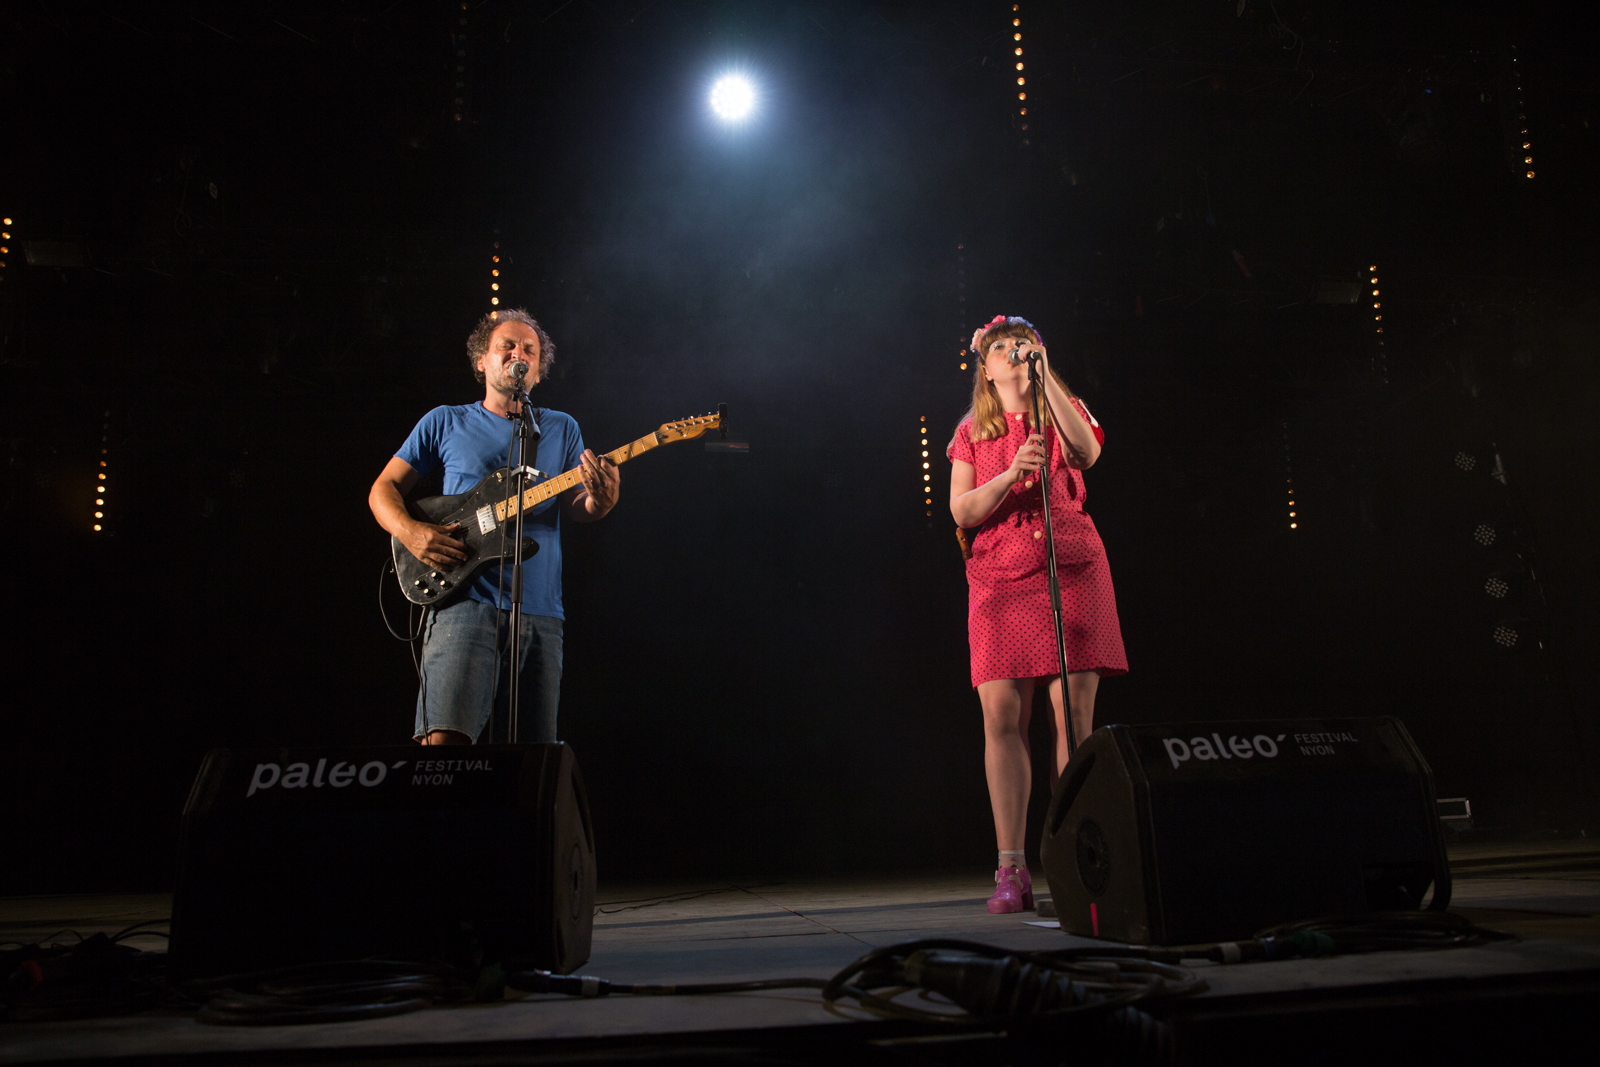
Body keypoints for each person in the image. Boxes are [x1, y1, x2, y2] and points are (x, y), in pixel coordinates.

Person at [368, 308, 620, 746]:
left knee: (531, 763)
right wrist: (411, 532)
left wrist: (601, 501)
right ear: (481, 361)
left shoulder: (561, 428)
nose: (519, 353)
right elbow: (382, 489)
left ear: (538, 371)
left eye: (530, 350)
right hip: (463, 603)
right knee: (445, 748)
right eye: (507, 345)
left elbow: (579, 507)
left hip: (541, 613)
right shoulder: (445, 420)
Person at [946, 315, 1128, 914]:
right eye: (1000, 346)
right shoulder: (972, 431)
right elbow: (962, 510)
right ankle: (1012, 869)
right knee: (1003, 716)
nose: (1013, 351)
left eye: (1022, 343)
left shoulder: (1063, 409)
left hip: (1069, 567)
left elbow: (1088, 453)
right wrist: (1009, 476)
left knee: (1072, 719)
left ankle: (1077, 858)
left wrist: (1048, 380)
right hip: (999, 576)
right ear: (985, 369)